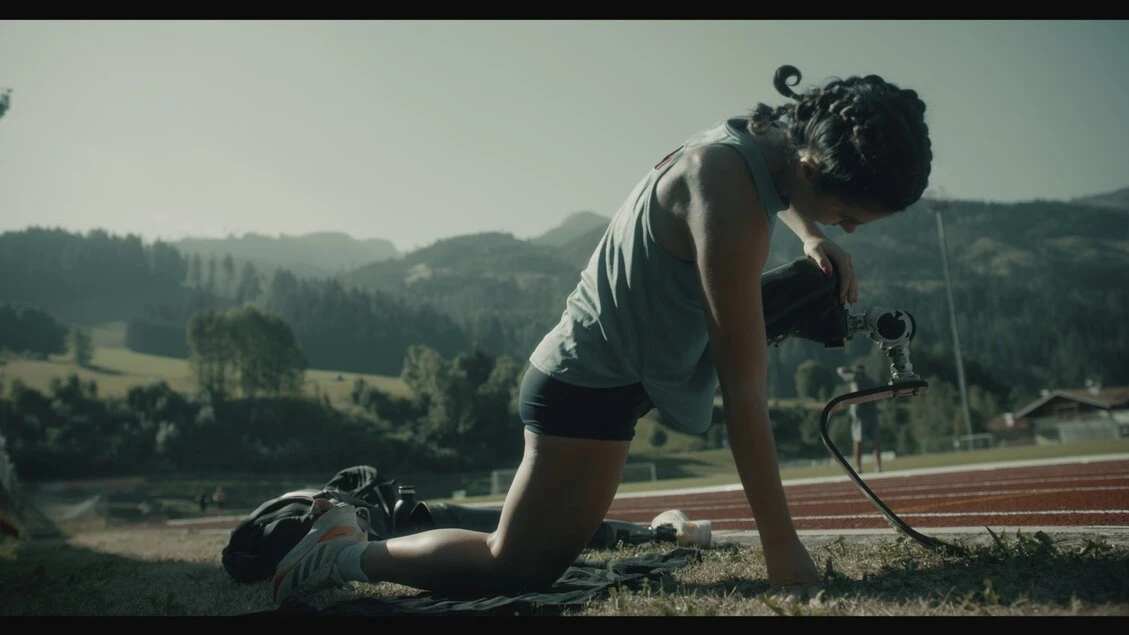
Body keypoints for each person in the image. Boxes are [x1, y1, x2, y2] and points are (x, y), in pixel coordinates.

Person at [269, 63, 933, 605]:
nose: (845, 230)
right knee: (514, 565)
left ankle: (347, 548)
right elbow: (743, 389)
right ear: (814, 164)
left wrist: (814, 232)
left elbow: (782, 190)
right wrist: (782, 550)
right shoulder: (729, 201)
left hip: (617, 378)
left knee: (533, 555)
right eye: (845, 215)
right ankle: (339, 556)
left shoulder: (752, 141)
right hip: (585, 389)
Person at [837, 364, 883, 473]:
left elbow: (840, 371)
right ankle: (863, 467)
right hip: (861, 414)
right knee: (860, 441)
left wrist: (848, 370)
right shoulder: (861, 379)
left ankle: (874, 466)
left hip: (868, 413)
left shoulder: (862, 379)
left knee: (869, 441)